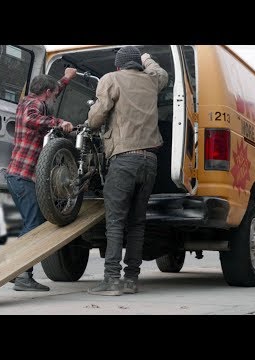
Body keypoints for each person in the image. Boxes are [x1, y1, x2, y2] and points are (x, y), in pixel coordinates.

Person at [86, 46, 168, 296]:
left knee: (115, 222)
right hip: (150, 161)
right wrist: (146, 57)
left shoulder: (111, 79)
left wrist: (90, 121)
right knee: (137, 223)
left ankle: (112, 280)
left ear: (119, 66)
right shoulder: (152, 81)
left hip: (124, 159)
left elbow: (98, 115)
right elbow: (160, 72)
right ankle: (131, 279)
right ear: (138, 64)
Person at [6, 68, 76, 291]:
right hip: (23, 176)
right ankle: (23, 276)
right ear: (46, 92)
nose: (55, 97)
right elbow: (31, 119)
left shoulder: (30, 100)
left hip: (19, 176)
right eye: (54, 94)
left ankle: (15, 270)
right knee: (34, 225)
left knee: (31, 224)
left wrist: (65, 79)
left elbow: (48, 95)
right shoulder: (31, 106)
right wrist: (60, 122)